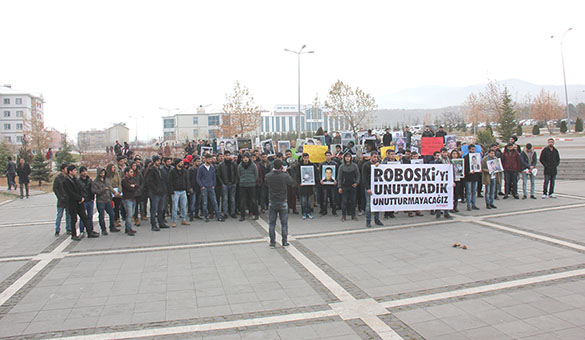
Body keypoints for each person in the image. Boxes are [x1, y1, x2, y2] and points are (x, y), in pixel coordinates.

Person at [63, 165, 99, 240]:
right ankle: (74, 235)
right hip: (72, 202)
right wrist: (79, 198)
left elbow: (79, 189)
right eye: (74, 170)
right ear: (70, 172)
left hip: (80, 202)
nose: (75, 172)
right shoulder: (66, 181)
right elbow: (70, 193)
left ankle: (90, 232)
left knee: (84, 217)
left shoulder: (75, 179)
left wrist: (81, 198)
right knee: (73, 219)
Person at [265, 159, 294, 248]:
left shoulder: (268, 176)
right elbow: (291, 182)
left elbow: (266, 184)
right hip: (283, 201)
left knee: (272, 223)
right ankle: (284, 241)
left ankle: (272, 242)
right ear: (282, 166)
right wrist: (286, 172)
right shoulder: (284, 176)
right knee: (284, 223)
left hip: (272, 201)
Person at [92, 166, 120, 234]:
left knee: (112, 214)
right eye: (101, 173)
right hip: (100, 200)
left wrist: (113, 194)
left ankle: (112, 226)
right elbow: (94, 191)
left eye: (103, 173)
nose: (102, 174)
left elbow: (109, 188)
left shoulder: (106, 181)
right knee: (101, 215)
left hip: (108, 200)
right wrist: (103, 189)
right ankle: (103, 229)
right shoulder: (95, 182)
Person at [197, 154, 224, 222]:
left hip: (211, 187)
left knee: (214, 202)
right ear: (205, 159)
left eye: (211, 159)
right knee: (205, 202)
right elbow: (198, 178)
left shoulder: (212, 167)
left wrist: (213, 185)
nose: (210, 160)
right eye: (209, 159)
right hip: (204, 188)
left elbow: (214, 177)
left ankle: (218, 216)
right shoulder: (201, 168)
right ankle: (206, 216)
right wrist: (202, 186)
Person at [145, 155, 168, 230]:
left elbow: (164, 179)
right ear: (155, 161)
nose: (159, 162)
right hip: (155, 193)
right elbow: (149, 182)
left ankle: (161, 222)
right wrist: (156, 189)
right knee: (154, 209)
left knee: (161, 208)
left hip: (162, 192)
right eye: (158, 161)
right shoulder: (151, 170)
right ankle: (153, 224)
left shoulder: (160, 169)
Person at [362, 151, 383, 227]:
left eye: (376, 157)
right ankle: (368, 221)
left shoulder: (378, 164)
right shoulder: (366, 165)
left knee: (377, 203)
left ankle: (377, 219)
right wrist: (367, 188)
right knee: (369, 205)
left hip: (377, 187)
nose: (375, 158)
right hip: (369, 187)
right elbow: (364, 178)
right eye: (374, 157)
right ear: (370, 157)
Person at [337, 152, 360, 221]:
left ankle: (353, 215)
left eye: (349, 157)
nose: (347, 158)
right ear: (344, 158)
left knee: (353, 201)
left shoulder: (355, 166)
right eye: (346, 157)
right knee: (344, 202)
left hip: (353, 186)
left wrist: (356, 182)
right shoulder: (341, 166)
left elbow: (358, 175)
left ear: (351, 158)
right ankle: (343, 216)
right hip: (344, 186)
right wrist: (339, 187)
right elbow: (339, 177)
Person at [169, 158, 190, 227]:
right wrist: (171, 190)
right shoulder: (172, 171)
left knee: (183, 206)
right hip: (175, 191)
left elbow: (187, 180)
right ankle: (174, 221)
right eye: (181, 162)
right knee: (175, 207)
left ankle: (183, 219)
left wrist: (188, 189)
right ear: (177, 163)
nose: (182, 164)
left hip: (183, 190)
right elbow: (170, 181)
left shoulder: (184, 171)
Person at [238, 153, 259, 221]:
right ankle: (242, 216)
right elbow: (239, 175)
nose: (245, 159)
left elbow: (256, 174)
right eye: (244, 158)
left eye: (247, 157)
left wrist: (253, 180)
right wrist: (242, 180)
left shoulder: (253, 165)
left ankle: (256, 214)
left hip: (251, 185)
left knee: (253, 200)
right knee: (242, 201)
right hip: (242, 185)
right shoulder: (240, 166)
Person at [217, 151, 238, 219]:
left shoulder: (233, 164)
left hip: (232, 183)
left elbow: (236, 174)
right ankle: (225, 213)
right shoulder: (221, 165)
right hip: (225, 184)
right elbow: (219, 175)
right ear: (224, 156)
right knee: (225, 199)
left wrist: (235, 182)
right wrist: (222, 183)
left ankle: (232, 212)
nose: (227, 157)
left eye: (229, 155)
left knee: (232, 199)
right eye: (226, 155)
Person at [295, 153, 316, 219]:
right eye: (305, 157)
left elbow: (315, 174)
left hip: (309, 185)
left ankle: (309, 213)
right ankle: (304, 213)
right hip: (302, 186)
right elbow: (297, 176)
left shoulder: (312, 165)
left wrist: (314, 181)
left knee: (309, 200)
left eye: (307, 157)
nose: (306, 159)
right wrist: (299, 183)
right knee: (303, 201)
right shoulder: (299, 166)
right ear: (303, 158)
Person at [434, 148, 452, 219]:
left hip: (447, 181)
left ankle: (446, 212)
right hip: (440, 181)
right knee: (439, 196)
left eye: (446, 152)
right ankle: (438, 212)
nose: (445, 154)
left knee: (447, 196)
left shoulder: (449, 160)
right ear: (441, 153)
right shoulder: (438, 161)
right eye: (443, 152)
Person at [52, 163, 70, 236]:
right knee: (59, 215)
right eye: (66, 168)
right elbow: (55, 188)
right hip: (61, 200)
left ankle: (68, 228)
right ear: (63, 170)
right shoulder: (58, 178)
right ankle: (57, 229)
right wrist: (60, 197)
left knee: (68, 215)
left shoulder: (68, 177)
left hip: (68, 200)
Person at [77, 166, 95, 234]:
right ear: (80, 173)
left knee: (90, 216)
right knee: (83, 216)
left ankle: (90, 229)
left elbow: (92, 190)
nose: (85, 173)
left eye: (85, 171)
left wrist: (92, 198)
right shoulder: (78, 181)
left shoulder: (89, 180)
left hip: (89, 200)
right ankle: (82, 230)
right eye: (83, 171)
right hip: (83, 200)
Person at [463, 144, 481, 211]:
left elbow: (478, 165)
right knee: (468, 191)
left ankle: (474, 204)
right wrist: (468, 172)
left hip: (475, 176)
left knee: (474, 191)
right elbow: (464, 168)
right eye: (472, 149)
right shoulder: (465, 157)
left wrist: (479, 170)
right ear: (469, 149)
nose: (473, 151)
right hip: (468, 177)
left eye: (474, 149)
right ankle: (468, 205)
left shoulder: (477, 157)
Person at [320, 152, 337, 216]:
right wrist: (321, 180)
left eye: (329, 155)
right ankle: (324, 211)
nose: (328, 157)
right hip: (325, 184)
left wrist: (336, 180)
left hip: (332, 184)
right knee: (324, 198)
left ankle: (334, 212)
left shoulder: (335, 164)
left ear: (331, 156)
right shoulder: (322, 164)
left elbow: (337, 173)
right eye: (326, 155)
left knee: (333, 198)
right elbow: (320, 173)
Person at [121, 167, 138, 235]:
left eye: (132, 172)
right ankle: (128, 229)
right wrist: (133, 186)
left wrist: (134, 186)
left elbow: (137, 185)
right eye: (131, 172)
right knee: (129, 214)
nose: (132, 173)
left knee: (132, 213)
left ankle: (128, 227)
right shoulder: (124, 180)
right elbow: (129, 188)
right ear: (126, 173)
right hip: (127, 198)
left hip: (133, 198)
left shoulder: (132, 179)